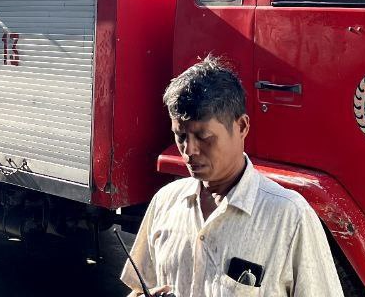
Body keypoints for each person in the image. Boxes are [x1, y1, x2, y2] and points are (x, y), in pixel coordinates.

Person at [122, 58, 344, 297]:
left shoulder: (289, 216)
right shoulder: (165, 202)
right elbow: (139, 288)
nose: (189, 150)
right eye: (181, 136)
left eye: (204, 136)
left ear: (242, 127)